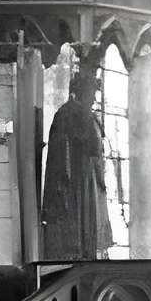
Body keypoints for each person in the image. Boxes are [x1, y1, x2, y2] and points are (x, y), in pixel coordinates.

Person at [39, 57, 110, 261]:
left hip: (85, 181)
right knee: (77, 230)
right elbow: (89, 149)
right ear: (81, 91)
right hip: (75, 185)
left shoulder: (81, 114)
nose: (94, 99)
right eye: (91, 93)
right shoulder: (72, 114)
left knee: (87, 230)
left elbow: (97, 148)